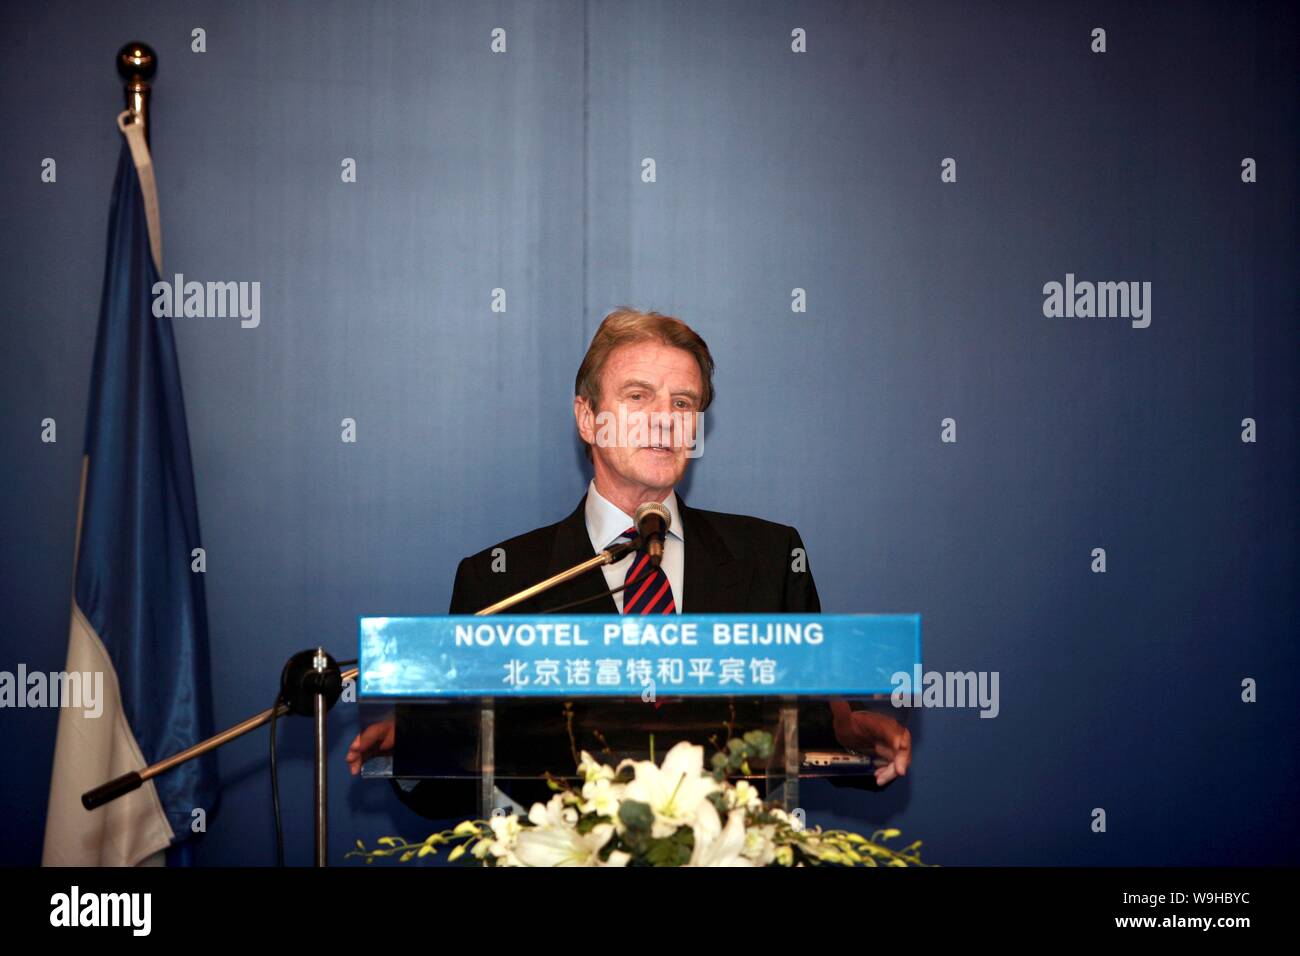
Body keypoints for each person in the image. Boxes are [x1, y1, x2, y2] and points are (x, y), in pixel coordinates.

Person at [346, 307, 912, 814]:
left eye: (682, 403)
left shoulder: (770, 557)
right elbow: (454, 775)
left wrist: (853, 731)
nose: (665, 419)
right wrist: (417, 744)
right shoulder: (502, 579)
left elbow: (813, 725)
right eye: (638, 397)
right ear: (589, 419)